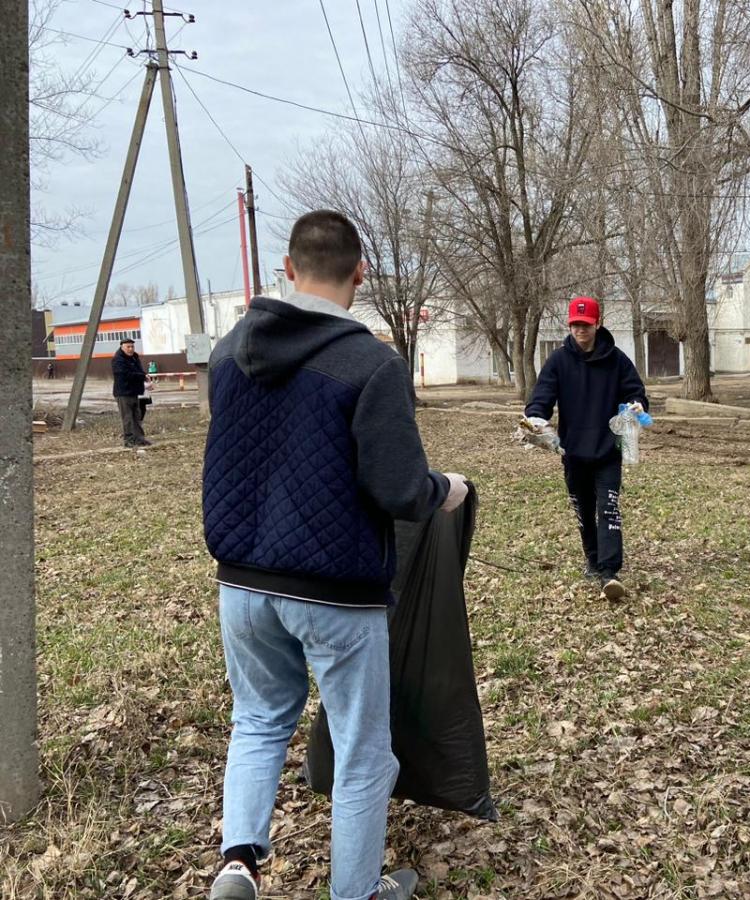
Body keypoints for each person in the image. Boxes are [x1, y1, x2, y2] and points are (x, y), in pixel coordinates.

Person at [202, 210, 469, 900]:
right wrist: (448, 490)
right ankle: (357, 893)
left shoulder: (229, 351)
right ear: (360, 273)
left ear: (287, 270)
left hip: (242, 586)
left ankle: (237, 862)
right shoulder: (372, 363)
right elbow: (399, 487)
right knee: (360, 753)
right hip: (334, 594)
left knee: (258, 721)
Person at [524, 296, 648, 601]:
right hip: (573, 452)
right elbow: (542, 396)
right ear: (570, 324)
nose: (581, 329)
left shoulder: (617, 360)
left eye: (586, 324)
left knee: (608, 508)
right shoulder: (558, 361)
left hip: (608, 451)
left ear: (597, 323)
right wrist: (536, 418)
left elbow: (636, 393)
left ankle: (610, 573)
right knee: (583, 509)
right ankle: (593, 560)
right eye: (576, 324)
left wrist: (637, 406)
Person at [111, 338, 152, 447]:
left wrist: (145, 377)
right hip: (123, 392)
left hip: (135, 391)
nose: (130, 349)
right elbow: (125, 374)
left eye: (132, 346)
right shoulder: (118, 359)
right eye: (128, 347)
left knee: (137, 416)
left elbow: (139, 370)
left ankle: (139, 439)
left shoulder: (135, 357)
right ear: (122, 347)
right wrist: (142, 376)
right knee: (127, 417)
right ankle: (129, 440)